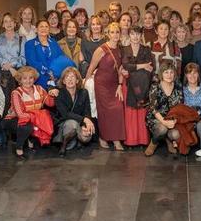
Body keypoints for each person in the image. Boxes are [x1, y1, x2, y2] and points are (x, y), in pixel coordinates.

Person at [86, 22, 126, 151]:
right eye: (112, 32)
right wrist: (85, 84)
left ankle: (115, 138)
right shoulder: (101, 49)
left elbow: (120, 69)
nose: (115, 35)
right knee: (105, 112)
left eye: (117, 32)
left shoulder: (120, 50)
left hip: (114, 84)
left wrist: (119, 85)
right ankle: (104, 137)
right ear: (107, 34)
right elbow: (91, 67)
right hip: (101, 84)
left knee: (118, 108)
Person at [5, 66, 58, 158]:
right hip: (14, 119)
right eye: (24, 78)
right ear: (20, 80)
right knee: (28, 127)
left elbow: (50, 104)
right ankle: (19, 148)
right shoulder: (16, 93)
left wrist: (52, 94)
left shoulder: (39, 89)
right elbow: (20, 114)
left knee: (53, 120)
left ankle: (31, 140)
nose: (28, 81)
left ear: (34, 79)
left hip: (33, 117)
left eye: (31, 78)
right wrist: (37, 120)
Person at [121, 26, 154, 147]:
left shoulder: (146, 49)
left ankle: (143, 140)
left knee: (141, 112)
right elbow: (126, 66)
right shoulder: (124, 49)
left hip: (142, 86)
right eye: (133, 34)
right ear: (129, 35)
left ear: (141, 36)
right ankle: (131, 141)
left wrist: (133, 68)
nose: (135, 37)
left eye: (138, 34)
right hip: (128, 85)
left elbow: (150, 66)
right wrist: (142, 66)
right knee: (130, 113)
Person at [144, 60, 185, 156]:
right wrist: (164, 122)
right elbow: (153, 109)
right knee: (162, 129)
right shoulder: (155, 86)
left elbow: (179, 107)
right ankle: (153, 143)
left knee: (176, 134)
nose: (169, 75)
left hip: (172, 118)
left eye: (171, 72)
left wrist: (174, 121)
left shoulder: (178, 86)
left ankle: (168, 140)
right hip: (156, 118)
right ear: (161, 74)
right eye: (166, 72)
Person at [53, 67, 95, 157]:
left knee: (87, 137)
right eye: (67, 77)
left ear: (77, 80)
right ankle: (63, 145)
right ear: (64, 81)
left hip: (79, 122)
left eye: (72, 77)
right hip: (63, 124)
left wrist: (85, 125)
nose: (70, 79)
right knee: (73, 124)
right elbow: (65, 114)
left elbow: (87, 111)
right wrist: (84, 119)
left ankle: (76, 139)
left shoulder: (83, 92)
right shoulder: (59, 93)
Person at [24, 19, 69, 88]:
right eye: (41, 26)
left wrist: (55, 72)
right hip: (39, 78)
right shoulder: (30, 44)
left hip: (56, 77)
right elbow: (32, 62)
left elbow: (60, 57)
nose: (44, 28)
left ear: (49, 29)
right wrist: (48, 72)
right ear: (36, 29)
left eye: (46, 27)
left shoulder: (53, 42)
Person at [0, 13, 26, 89]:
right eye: (6, 21)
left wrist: (12, 65)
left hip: (18, 72)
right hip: (2, 73)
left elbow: (23, 58)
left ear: (15, 24)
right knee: (4, 95)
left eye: (11, 21)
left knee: (18, 94)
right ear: (3, 25)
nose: (9, 23)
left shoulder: (22, 39)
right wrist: (9, 68)